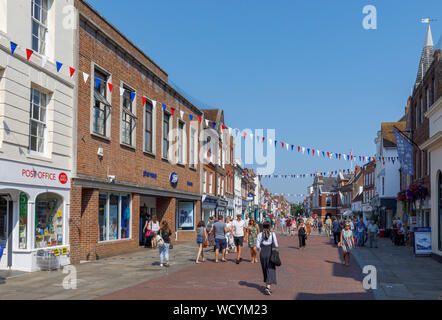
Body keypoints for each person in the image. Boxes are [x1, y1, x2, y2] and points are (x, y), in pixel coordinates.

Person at [256, 221, 278, 296]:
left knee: (264, 268)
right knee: (270, 269)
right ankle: (267, 288)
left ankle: (267, 285)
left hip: (262, 253)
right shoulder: (272, 234)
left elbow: (257, 246)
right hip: (270, 252)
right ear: (269, 227)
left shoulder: (260, 234)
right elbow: (276, 244)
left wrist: (262, 250)